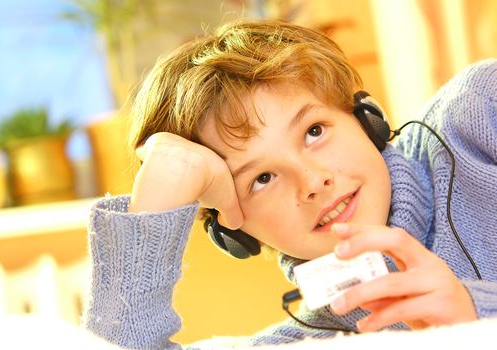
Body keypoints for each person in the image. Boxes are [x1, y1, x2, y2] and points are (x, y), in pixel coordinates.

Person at [84, 19, 497, 349]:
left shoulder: (479, 116)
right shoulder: (307, 341)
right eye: (262, 179)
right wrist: (154, 205)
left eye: (315, 131)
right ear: (234, 234)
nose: (312, 182)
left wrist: (475, 313)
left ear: (367, 118)